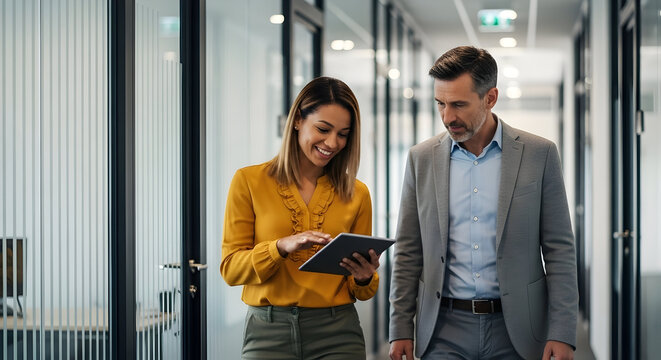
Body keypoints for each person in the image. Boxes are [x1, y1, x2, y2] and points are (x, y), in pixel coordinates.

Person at [388, 46, 578, 360]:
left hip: (518, 327)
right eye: (440, 104)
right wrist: (399, 328)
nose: (448, 117)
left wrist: (562, 331)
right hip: (442, 328)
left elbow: (559, 249)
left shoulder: (539, 154)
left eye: (459, 105)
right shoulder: (421, 159)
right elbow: (409, 250)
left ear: (490, 98)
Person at [221, 76, 380, 360]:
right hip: (267, 333)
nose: (332, 142)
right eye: (323, 128)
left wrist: (365, 277)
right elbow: (231, 269)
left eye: (343, 134)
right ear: (297, 120)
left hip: (338, 333)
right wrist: (279, 247)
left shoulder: (357, 193)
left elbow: (363, 291)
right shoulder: (248, 181)